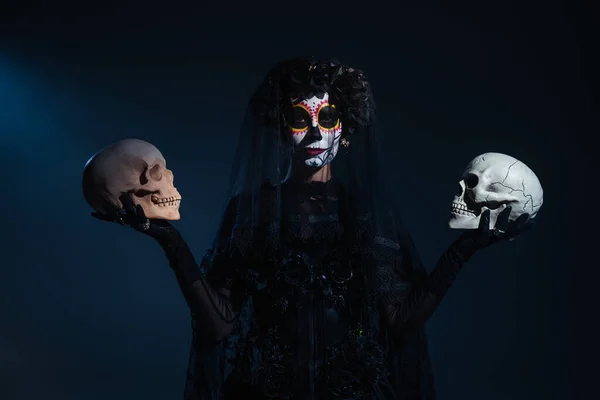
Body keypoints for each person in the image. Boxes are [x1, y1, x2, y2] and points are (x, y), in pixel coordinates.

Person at [92, 57, 533, 399]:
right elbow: (219, 325)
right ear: (283, 129)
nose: (314, 135)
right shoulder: (252, 210)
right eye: (300, 120)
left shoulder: (366, 211)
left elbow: (401, 321)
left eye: (327, 120)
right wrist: (169, 241)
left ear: (345, 130)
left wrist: (463, 250)